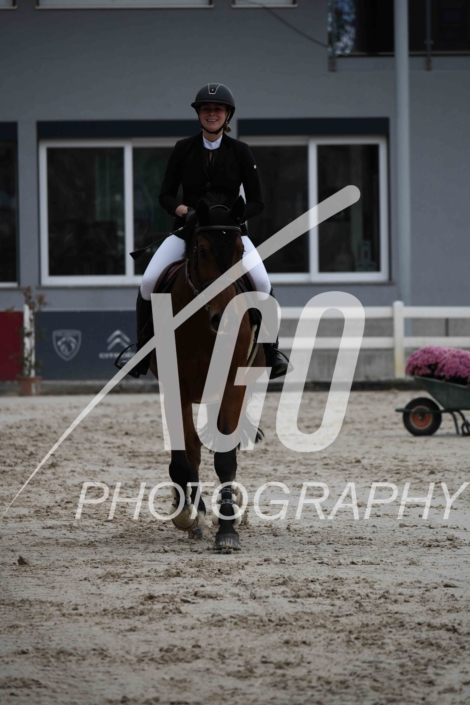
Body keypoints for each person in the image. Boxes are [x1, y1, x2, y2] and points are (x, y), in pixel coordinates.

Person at [133, 83, 290, 379]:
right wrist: (183, 211)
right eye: (206, 109)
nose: (212, 113)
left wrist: (235, 216)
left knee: (263, 284)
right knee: (149, 281)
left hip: (231, 234)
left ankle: (272, 352)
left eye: (218, 109)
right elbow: (165, 195)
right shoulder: (183, 148)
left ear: (227, 115)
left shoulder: (240, 151)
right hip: (188, 231)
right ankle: (141, 350)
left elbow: (258, 201)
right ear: (199, 114)